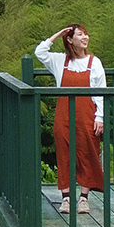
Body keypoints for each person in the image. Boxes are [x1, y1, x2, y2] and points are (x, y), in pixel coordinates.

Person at [33, 24, 105, 212]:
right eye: (80, 34)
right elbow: (39, 52)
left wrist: (100, 117)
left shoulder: (94, 62)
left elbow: (100, 92)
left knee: (88, 151)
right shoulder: (60, 61)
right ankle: (65, 198)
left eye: (86, 34)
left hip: (87, 113)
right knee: (64, 152)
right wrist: (59, 34)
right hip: (64, 114)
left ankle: (84, 198)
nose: (85, 38)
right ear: (70, 40)